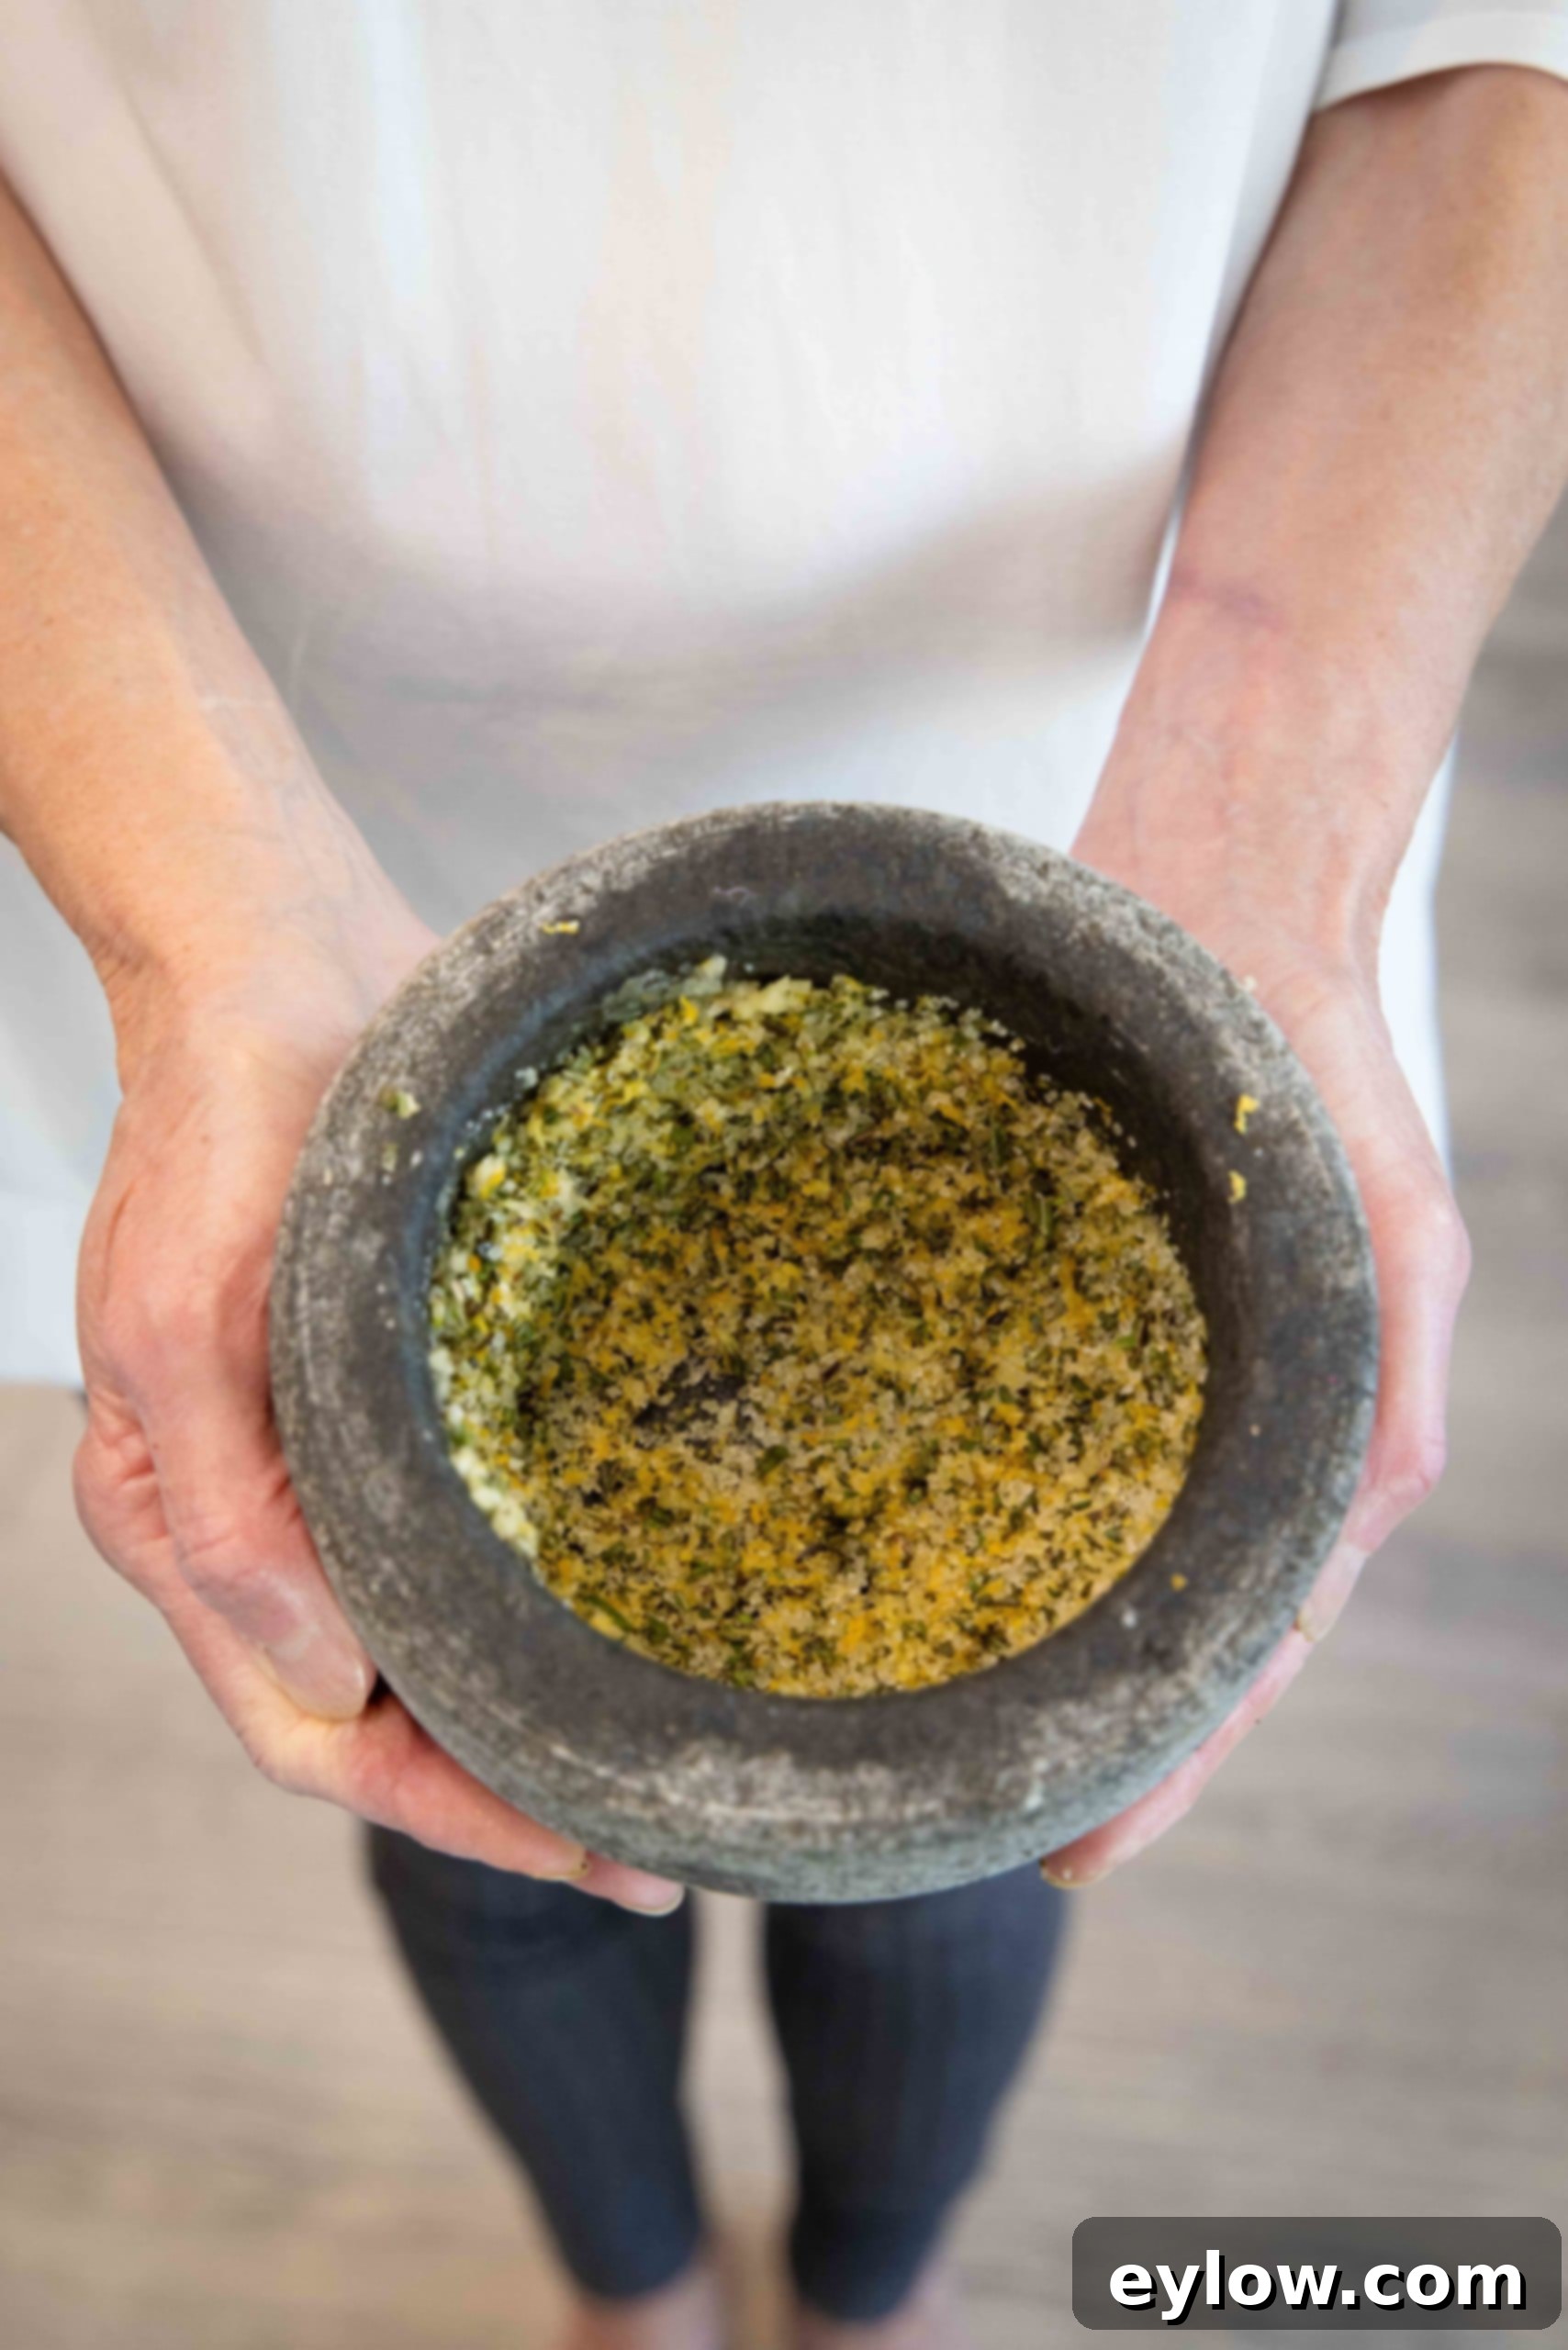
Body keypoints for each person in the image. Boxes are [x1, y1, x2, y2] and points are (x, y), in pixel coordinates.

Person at [2, 6, 1567, 2344]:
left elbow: (1479, 54)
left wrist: (1265, 805)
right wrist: (202, 910)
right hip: (235, 733)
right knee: (464, 1796)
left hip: (1127, 724)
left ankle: (863, 2289)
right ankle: (624, 2286)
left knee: (950, 1872)